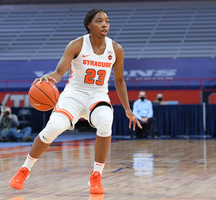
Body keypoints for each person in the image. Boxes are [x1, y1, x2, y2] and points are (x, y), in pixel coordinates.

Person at [9, 8, 141, 194]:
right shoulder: (77, 44)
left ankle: (96, 176)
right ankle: (25, 169)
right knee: (53, 128)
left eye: (107, 21)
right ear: (89, 24)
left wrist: (127, 109)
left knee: (105, 121)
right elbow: (58, 73)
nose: (105, 24)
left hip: (98, 95)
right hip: (74, 94)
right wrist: (49, 78)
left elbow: (119, 81)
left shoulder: (116, 49)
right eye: (99, 21)